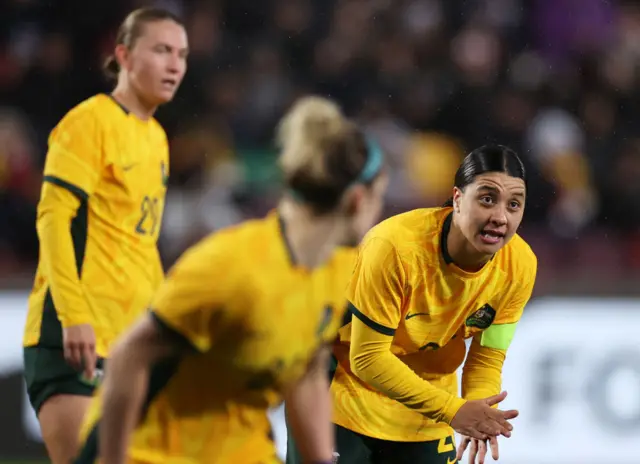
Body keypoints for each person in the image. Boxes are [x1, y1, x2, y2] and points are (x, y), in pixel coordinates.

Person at [73, 96, 388, 464]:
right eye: (379, 197)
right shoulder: (231, 267)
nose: (380, 209)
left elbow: (309, 368)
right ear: (355, 201)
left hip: (241, 450)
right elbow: (128, 357)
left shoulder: (340, 266)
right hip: (158, 451)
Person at [286, 144, 538, 464]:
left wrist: (479, 412)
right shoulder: (395, 248)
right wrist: (453, 410)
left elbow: (486, 358)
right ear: (458, 199)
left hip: (423, 416)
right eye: (487, 199)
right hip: (339, 397)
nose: (501, 217)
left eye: (514, 204)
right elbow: (367, 358)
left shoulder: (520, 266)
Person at [21, 8, 188, 464]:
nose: (175, 64)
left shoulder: (156, 138)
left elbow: (140, 243)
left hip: (130, 343)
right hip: (76, 337)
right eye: (161, 50)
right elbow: (52, 219)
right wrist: (74, 315)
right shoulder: (88, 122)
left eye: (182, 54)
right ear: (125, 55)